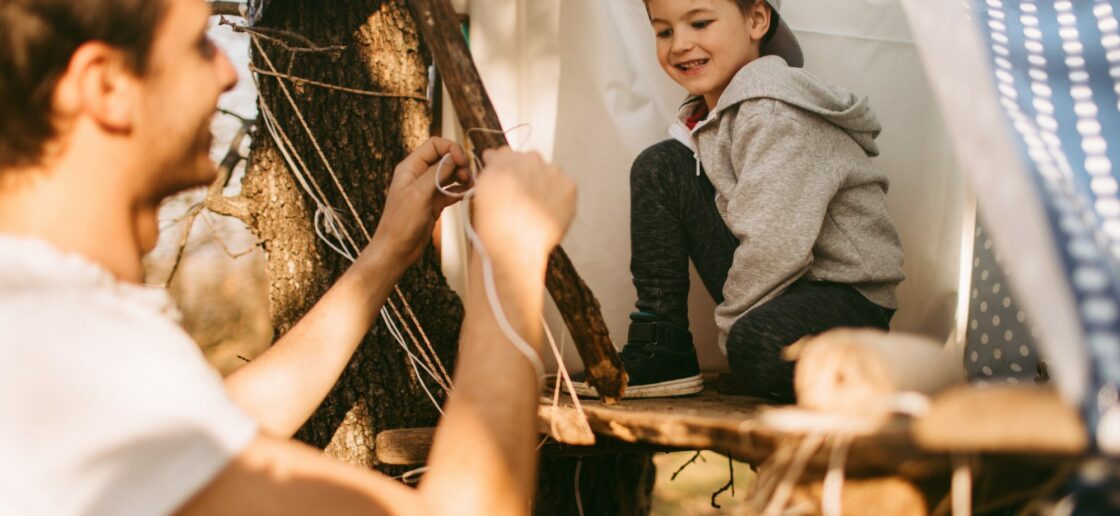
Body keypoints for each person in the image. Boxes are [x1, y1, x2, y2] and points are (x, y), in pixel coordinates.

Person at [0, 0, 576, 514]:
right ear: (105, 87)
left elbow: (219, 419)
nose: (228, 72)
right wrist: (509, 256)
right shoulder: (56, 346)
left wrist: (387, 251)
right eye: (199, 43)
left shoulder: (39, 319)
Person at [576, 0, 904, 401]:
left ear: (757, 19)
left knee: (755, 347)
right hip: (785, 281)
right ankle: (662, 346)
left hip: (845, 299)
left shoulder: (775, 113)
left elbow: (776, 243)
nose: (679, 44)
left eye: (699, 23)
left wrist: (739, 334)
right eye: (664, 32)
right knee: (660, 165)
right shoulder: (713, 114)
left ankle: (872, 370)